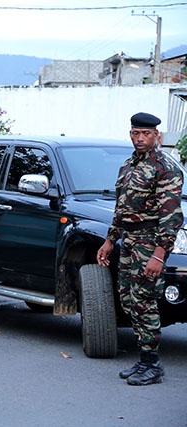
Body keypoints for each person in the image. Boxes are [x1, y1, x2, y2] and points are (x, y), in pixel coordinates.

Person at [97, 112, 184, 386]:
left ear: (157, 136)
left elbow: (172, 217)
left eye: (146, 134)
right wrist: (111, 239)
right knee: (128, 301)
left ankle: (152, 364)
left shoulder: (165, 169)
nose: (140, 139)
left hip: (149, 242)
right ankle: (143, 359)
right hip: (128, 243)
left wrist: (160, 254)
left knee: (145, 301)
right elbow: (121, 209)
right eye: (136, 133)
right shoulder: (128, 166)